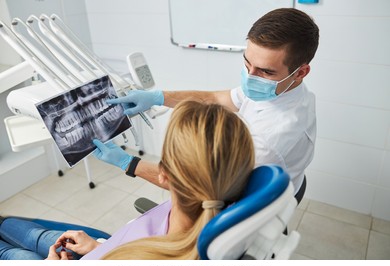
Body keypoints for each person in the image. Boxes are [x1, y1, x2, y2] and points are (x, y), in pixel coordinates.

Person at [96, 8, 319, 204]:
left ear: (300, 72)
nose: (250, 77)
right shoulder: (282, 89)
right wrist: (158, 97)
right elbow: (218, 98)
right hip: (286, 182)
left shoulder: (269, 140)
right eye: (246, 63)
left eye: (265, 71)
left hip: (258, 200)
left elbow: (197, 189)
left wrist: (128, 162)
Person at [0, 100, 255, 260]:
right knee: (29, 233)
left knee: (15, 254)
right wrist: (99, 246)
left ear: (164, 174)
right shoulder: (223, 201)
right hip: (106, 249)